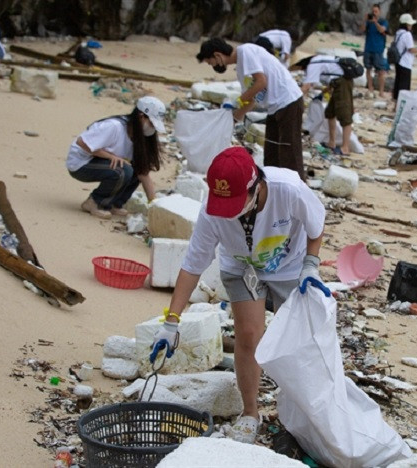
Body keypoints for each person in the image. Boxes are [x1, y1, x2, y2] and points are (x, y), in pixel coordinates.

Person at [151, 146, 327, 444]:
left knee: (297, 339)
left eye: (234, 202)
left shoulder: (288, 189)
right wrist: (171, 322)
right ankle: (249, 413)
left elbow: (316, 225)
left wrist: (311, 265)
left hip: (289, 265)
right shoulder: (212, 208)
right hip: (241, 266)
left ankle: (301, 413)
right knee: (247, 334)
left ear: (255, 185)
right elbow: (193, 265)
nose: (228, 211)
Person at [196, 38, 306, 181]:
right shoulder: (241, 69)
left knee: (289, 153)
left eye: (211, 63)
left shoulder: (246, 51)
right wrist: (233, 118)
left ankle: (298, 190)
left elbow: (261, 82)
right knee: (272, 155)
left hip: (289, 101)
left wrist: (239, 100)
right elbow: (253, 97)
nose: (213, 66)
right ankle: (274, 189)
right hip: (274, 107)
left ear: (217, 55)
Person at [66, 96, 166, 219]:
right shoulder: (114, 126)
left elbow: (143, 173)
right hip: (80, 163)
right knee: (123, 170)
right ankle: (94, 202)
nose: (152, 128)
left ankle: (114, 204)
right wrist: (110, 156)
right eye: (151, 123)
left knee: (137, 168)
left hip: (100, 162)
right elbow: (82, 142)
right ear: (141, 116)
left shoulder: (141, 137)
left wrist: (153, 203)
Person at [294, 55, 354, 156]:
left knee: (345, 115)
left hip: (342, 82)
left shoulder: (313, 64)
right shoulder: (318, 61)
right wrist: (325, 90)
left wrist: (294, 100)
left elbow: (306, 86)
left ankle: (345, 148)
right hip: (336, 83)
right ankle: (331, 143)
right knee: (330, 113)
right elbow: (331, 74)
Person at [360, 3, 389, 98]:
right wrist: (365, 20)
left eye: (376, 11)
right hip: (368, 48)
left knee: (381, 71)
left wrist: (375, 22)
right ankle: (370, 88)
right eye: (373, 11)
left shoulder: (383, 21)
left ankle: (381, 91)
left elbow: (382, 30)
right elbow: (361, 30)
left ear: (379, 12)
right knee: (368, 69)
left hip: (378, 49)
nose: (374, 13)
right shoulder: (368, 22)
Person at [392, 13, 417, 109]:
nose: (411, 26)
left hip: (398, 61)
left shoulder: (398, 33)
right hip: (405, 63)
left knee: (398, 83)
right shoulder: (407, 34)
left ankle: (395, 104)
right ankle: (400, 107)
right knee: (404, 86)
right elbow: (410, 49)